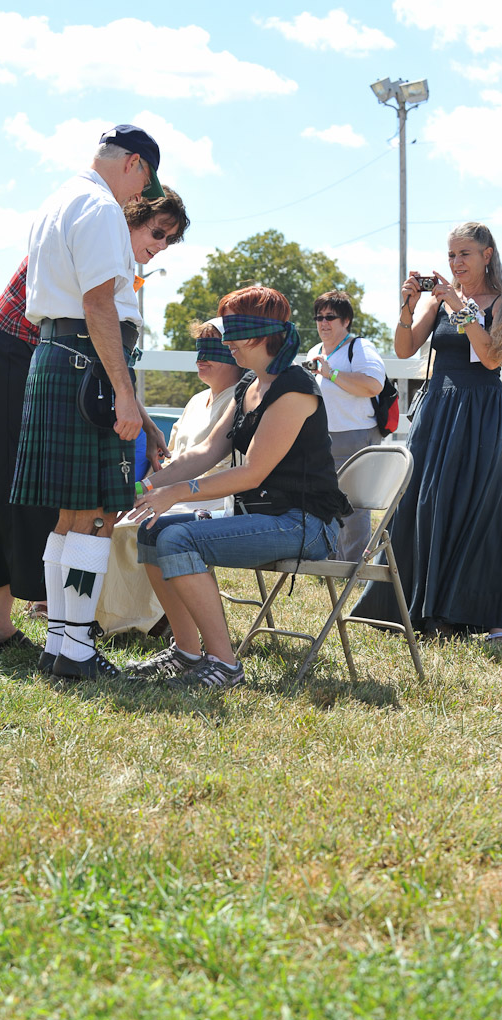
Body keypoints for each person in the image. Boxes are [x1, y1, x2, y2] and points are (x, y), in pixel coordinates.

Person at [0, 183, 188, 649]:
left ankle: (57, 620)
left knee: (60, 500)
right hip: (15, 358)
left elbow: (105, 352)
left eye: (169, 240)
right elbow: (92, 326)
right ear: (130, 214)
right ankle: (14, 620)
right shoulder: (96, 234)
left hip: (57, 366)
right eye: (157, 232)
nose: (161, 246)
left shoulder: (113, 253)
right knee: (20, 495)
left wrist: (142, 414)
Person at [124, 285, 353, 690]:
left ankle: (225, 666)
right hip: (265, 517)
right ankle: (187, 652)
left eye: (231, 331)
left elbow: (252, 474)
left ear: (257, 335)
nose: (225, 341)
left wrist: (176, 493)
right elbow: (207, 451)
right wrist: (145, 486)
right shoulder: (250, 383)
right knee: (151, 532)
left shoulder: (294, 389)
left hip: (304, 524)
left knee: (177, 539)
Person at [10, 123, 170, 681]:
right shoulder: (101, 207)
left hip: (58, 357)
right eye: (143, 184)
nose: (139, 197)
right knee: (98, 514)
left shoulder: (58, 200)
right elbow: (99, 303)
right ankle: (75, 648)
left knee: (70, 516)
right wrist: (125, 392)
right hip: (88, 363)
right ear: (134, 164)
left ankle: (61, 642)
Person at [352, 222, 502, 640]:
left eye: (465, 254)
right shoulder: (438, 302)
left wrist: (458, 303)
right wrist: (409, 305)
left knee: (474, 503)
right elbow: (404, 349)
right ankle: (409, 606)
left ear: (487, 255)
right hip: (437, 408)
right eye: (451, 255)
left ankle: (462, 610)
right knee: (421, 499)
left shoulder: (496, 301)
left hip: (481, 410)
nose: (456, 262)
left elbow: (492, 358)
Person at [95, 319, 244, 636]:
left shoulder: (241, 399)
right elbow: (171, 459)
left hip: (211, 496)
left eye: (212, 349)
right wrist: (142, 491)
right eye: (199, 348)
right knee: (115, 523)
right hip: (172, 491)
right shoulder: (195, 401)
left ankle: (150, 619)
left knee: (139, 527)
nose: (201, 357)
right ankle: (111, 617)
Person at [306, 290, 385, 562]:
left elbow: (374, 384)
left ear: (346, 320)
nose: (323, 323)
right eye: (319, 317)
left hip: (355, 436)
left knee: (353, 507)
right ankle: (329, 564)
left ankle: (352, 568)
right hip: (321, 438)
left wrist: (332, 374)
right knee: (323, 501)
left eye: (330, 317)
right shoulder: (315, 351)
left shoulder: (359, 348)